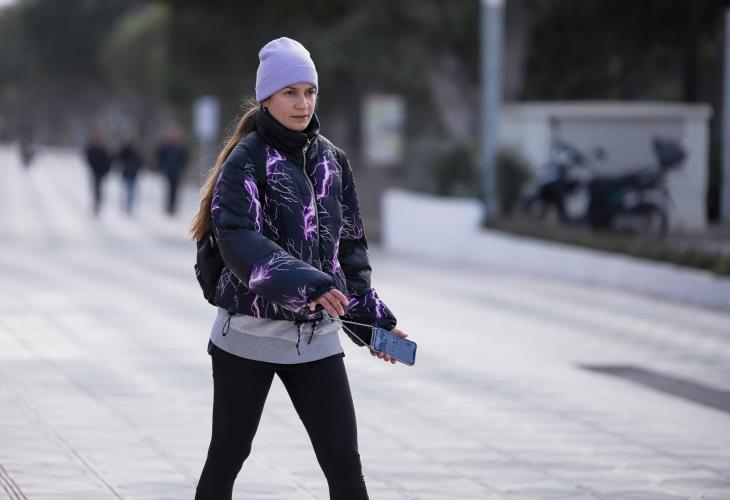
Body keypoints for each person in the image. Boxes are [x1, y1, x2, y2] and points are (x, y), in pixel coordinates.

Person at [189, 37, 408, 500]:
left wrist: (375, 325)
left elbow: (349, 252)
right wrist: (309, 285)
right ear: (266, 98)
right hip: (247, 337)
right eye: (290, 92)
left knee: (345, 466)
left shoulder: (333, 161)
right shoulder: (246, 160)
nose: (302, 103)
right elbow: (238, 239)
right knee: (227, 458)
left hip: (316, 341)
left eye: (309, 92)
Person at [157, 126, 188, 215]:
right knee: (169, 188)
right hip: (168, 170)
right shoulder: (166, 146)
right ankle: (169, 205)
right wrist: (162, 166)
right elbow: (160, 156)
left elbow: (184, 158)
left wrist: (182, 167)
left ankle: (173, 206)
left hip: (177, 171)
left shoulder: (180, 147)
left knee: (175, 188)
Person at [84, 129, 112, 216]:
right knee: (96, 188)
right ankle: (96, 204)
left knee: (99, 189)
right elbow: (88, 157)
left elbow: (108, 160)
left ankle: (97, 204)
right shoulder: (92, 148)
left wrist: (106, 170)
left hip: (102, 172)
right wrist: (92, 167)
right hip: (95, 171)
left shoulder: (104, 148)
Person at [116, 135, 144, 216]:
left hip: (133, 174)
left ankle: (129, 206)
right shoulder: (124, 151)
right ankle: (124, 206)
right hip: (126, 173)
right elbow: (119, 159)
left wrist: (137, 168)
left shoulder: (136, 151)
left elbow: (140, 161)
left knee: (131, 191)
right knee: (126, 191)